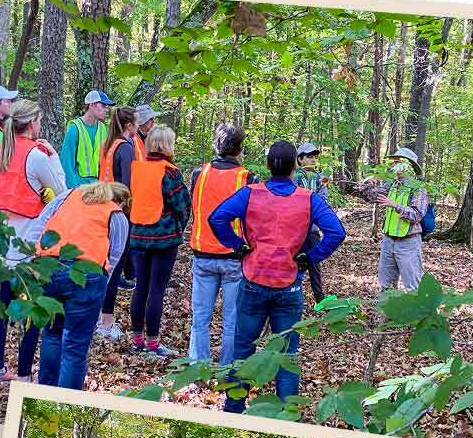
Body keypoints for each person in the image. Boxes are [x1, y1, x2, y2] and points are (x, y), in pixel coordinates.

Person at [210, 141, 347, 414]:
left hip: (254, 281)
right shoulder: (308, 198)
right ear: (295, 166)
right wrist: (310, 257)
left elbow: (217, 218)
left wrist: (237, 246)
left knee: (243, 346)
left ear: (269, 166)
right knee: (287, 355)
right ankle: (286, 416)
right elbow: (336, 232)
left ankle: (234, 408)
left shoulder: (250, 194)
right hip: (288, 286)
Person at [27, 180, 131, 389]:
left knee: (51, 334)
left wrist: (31, 262)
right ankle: (65, 402)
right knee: (74, 347)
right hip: (86, 276)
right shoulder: (116, 214)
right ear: (120, 201)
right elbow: (114, 257)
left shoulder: (67, 196)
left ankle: (45, 392)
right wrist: (100, 289)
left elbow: (40, 223)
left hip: (47, 267)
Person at [0, 99, 65, 383]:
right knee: (34, 309)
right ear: (33, 122)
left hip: (4, 242)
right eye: (40, 119)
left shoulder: (5, 153)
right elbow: (61, 192)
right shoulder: (37, 156)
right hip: (29, 244)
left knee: (2, 305)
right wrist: (54, 155)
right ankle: (23, 374)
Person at [186, 123, 253, 367]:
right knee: (232, 320)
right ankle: (227, 369)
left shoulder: (199, 174)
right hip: (233, 257)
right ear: (239, 149)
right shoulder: (246, 178)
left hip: (203, 254)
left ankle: (197, 367)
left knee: (200, 318)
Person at [124, 125, 191, 357]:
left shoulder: (137, 168)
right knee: (156, 290)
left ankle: (137, 341)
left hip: (138, 236)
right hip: (164, 239)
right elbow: (182, 205)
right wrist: (178, 229)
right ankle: (153, 344)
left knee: (140, 287)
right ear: (167, 145)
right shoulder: (170, 172)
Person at [94, 107, 140, 340]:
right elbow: (129, 185)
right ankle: (106, 321)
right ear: (129, 126)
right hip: (119, 213)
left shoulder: (108, 145)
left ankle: (97, 316)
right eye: (137, 124)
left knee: (103, 264)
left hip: (103, 208)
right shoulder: (125, 148)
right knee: (114, 265)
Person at [365, 147, 430, 292]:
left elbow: (417, 215)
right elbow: (370, 197)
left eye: (397, 161)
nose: (393, 165)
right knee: (386, 285)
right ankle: (387, 314)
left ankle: (416, 315)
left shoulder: (418, 188)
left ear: (408, 166)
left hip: (409, 242)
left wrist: (395, 206)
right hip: (388, 241)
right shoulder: (392, 185)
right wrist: (368, 184)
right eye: (393, 162)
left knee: (413, 286)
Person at [59, 89, 114, 188]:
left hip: (99, 186)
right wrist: (72, 189)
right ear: (91, 105)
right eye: (103, 105)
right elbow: (67, 163)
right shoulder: (74, 128)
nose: (107, 109)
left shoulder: (103, 129)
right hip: (80, 186)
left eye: (107, 106)